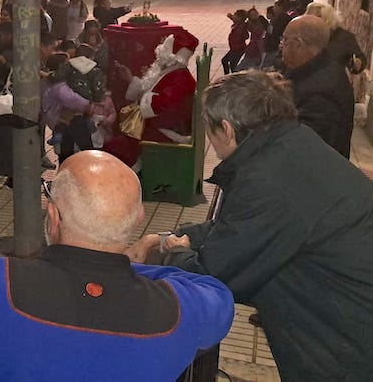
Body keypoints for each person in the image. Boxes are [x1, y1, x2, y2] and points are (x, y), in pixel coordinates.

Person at [0, 150, 234, 381]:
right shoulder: (180, 308)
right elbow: (220, 298)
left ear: (53, 217)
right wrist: (138, 265)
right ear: (138, 221)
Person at [126, 71, 373, 382]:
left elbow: (213, 276)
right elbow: (238, 230)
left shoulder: (268, 179)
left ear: (227, 130)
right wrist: (164, 238)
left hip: (345, 340)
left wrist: (176, 254)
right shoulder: (290, 145)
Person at [104, 33, 199, 169]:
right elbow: (152, 92)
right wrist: (131, 80)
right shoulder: (172, 72)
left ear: (171, 55)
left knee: (114, 148)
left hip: (166, 133)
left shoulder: (180, 78)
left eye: (164, 49)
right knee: (117, 137)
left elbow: (159, 104)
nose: (159, 52)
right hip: (159, 127)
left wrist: (140, 101)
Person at [279, 14, 354, 157]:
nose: (281, 45)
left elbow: (304, 146)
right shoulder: (316, 67)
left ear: (298, 44)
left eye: (285, 40)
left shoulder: (321, 92)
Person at [222, 9, 249, 75]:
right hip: (234, 48)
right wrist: (231, 17)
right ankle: (228, 76)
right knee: (225, 61)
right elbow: (235, 20)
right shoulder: (238, 23)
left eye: (235, 15)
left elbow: (246, 36)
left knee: (232, 64)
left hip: (238, 49)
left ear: (240, 18)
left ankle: (233, 76)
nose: (234, 16)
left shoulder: (242, 26)